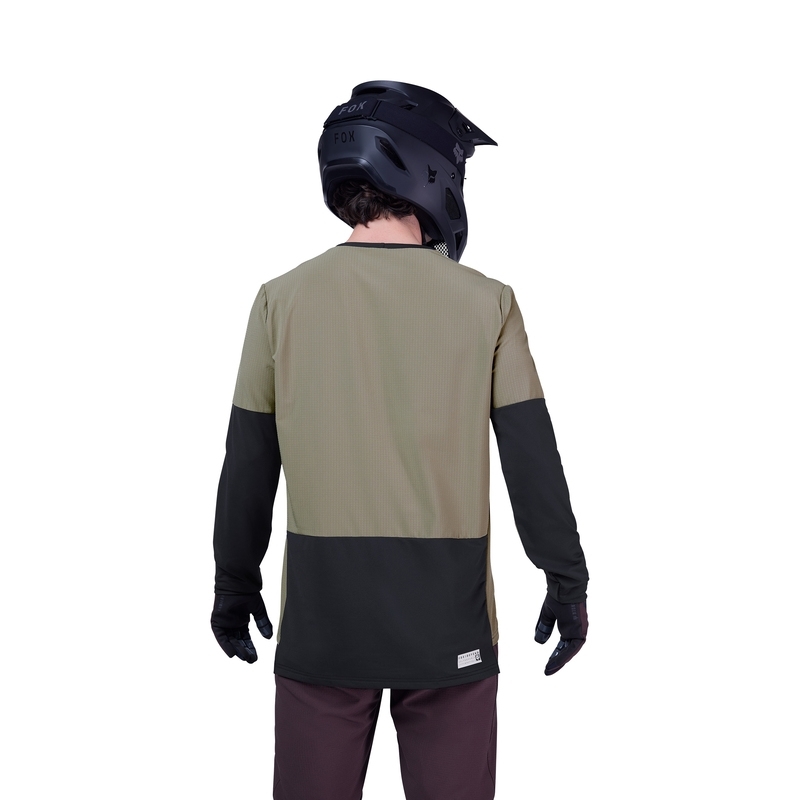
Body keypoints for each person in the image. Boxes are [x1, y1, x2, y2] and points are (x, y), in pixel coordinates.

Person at [210, 80, 590, 800]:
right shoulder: (488, 303)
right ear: (433, 172)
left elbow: (249, 461)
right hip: (447, 620)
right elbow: (532, 459)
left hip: (324, 621)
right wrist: (566, 580)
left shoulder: (279, 300)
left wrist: (235, 582)